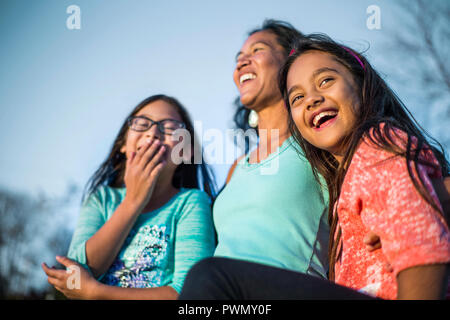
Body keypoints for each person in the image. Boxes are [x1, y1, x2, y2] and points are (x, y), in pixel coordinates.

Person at [179, 34, 450, 300]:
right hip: (236, 291)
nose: (312, 99)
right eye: (298, 97)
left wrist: (419, 208)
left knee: (208, 278)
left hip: (271, 285)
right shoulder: (243, 166)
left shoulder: (355, 146)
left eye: (257, 50)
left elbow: (422, 231)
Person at [42, 94, 217, 299]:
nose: (153, 133)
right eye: (141, 124)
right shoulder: (101, 200)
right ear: (123, 144)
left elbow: (190, 293)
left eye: (169, 128)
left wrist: (96, 292)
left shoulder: (191, 203)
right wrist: (133, 202)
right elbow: (75, 276)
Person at [213, 20, 330, 279]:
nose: (242, 62)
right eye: (239, 57)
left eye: (257, 50)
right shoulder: (237, 167)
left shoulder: (319, 145)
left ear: (291, 61)